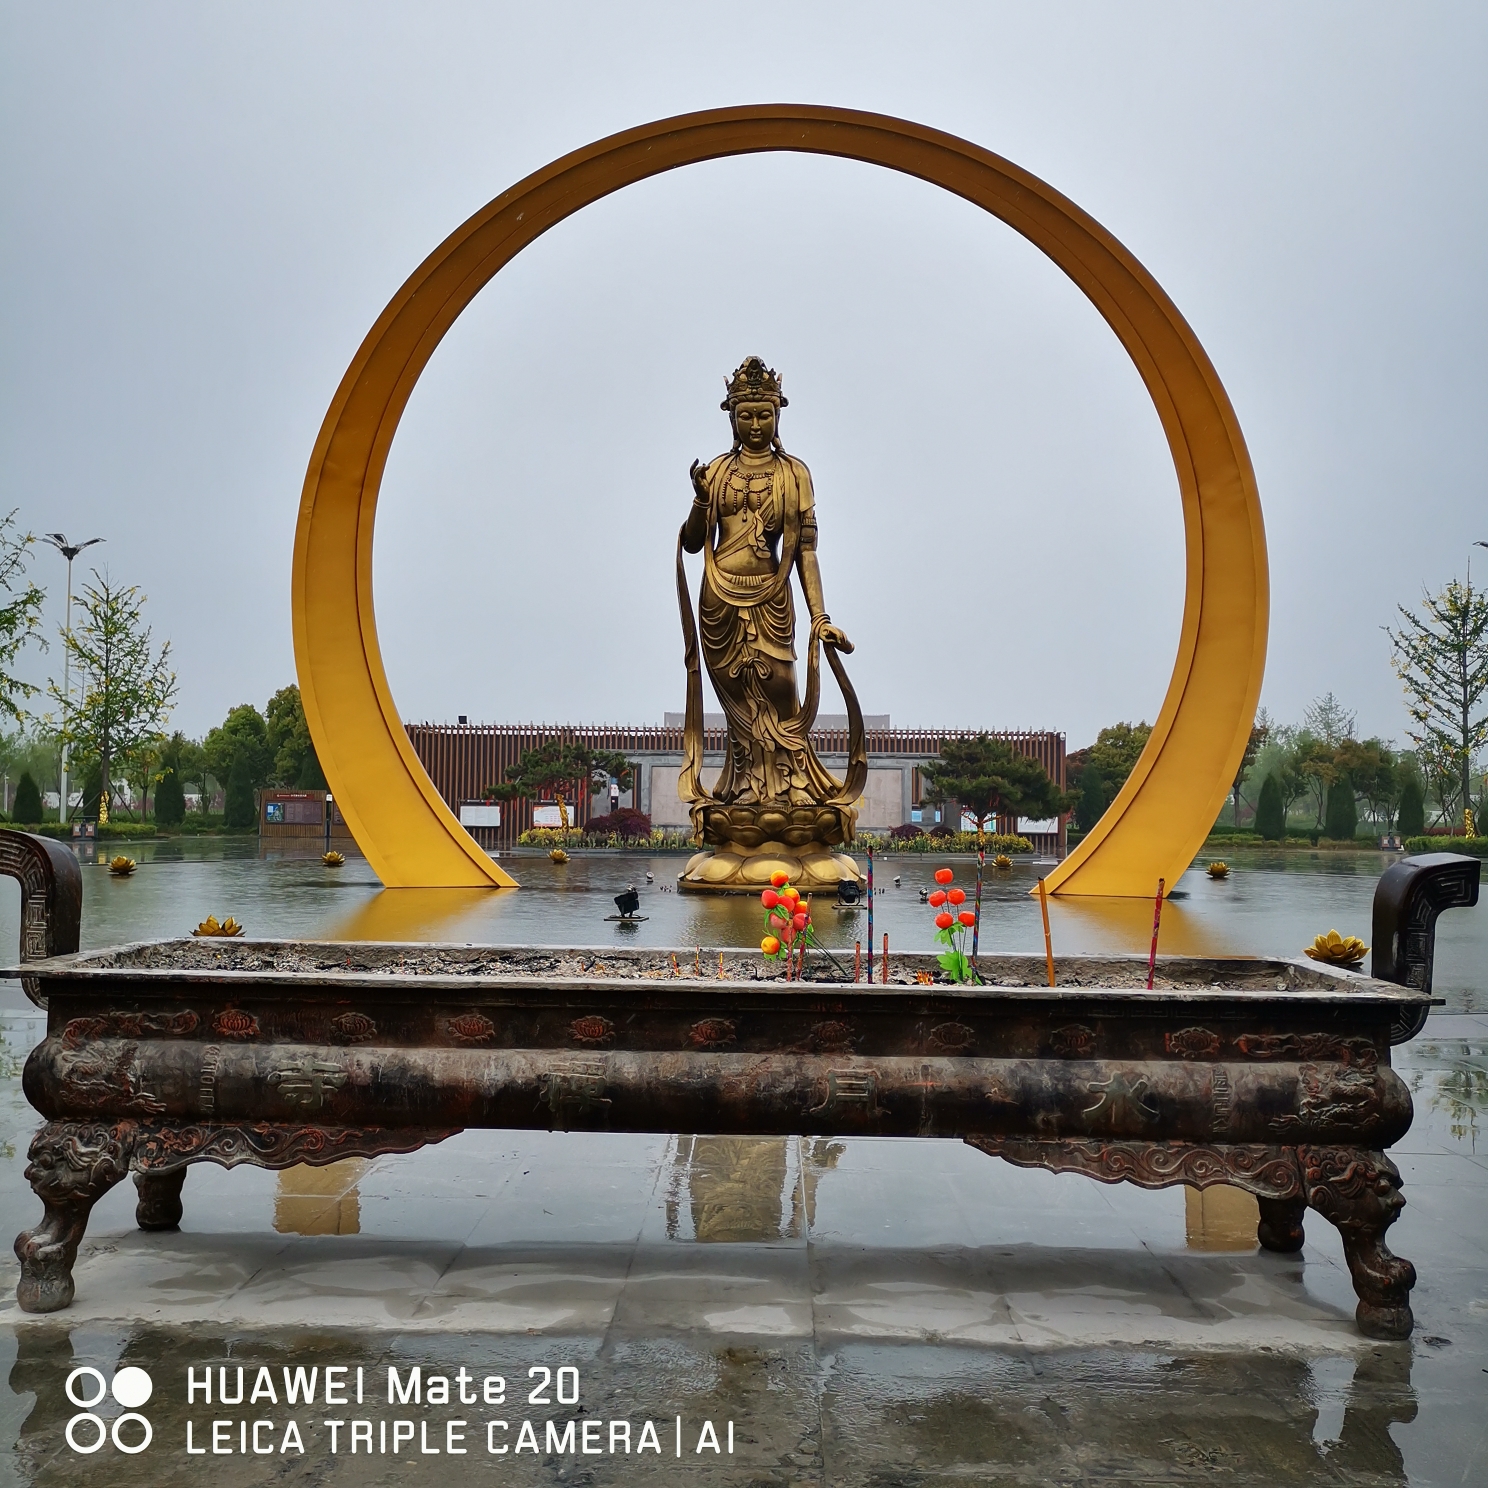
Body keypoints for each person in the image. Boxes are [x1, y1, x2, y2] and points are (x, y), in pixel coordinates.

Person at [677, 356, 861, 812]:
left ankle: (792, 785)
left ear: (777, 416)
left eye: (764, 415)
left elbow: (806, 551)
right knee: (738, 698)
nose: (756, 425)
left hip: (771, 594)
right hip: (719, 598)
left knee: (780, 688)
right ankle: (745, 789)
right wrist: (701, 500)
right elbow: (694, 543)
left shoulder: (794, 473)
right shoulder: (716, 472)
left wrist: (820, 617)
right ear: (732, 419)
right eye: (746, 416)